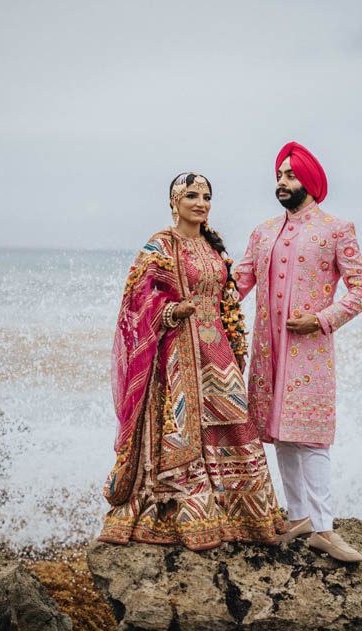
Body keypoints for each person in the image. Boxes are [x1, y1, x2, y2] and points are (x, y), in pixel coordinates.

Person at [98, 172, 285, 550]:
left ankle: (241, 513)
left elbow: (227, 299)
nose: (201, 203)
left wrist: (236, 341)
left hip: (218, 352)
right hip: (178, 354)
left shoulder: (213, 247)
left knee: (233, 420)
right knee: (187, 428)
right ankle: (190, 514)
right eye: (192, 195)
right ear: (174, 202)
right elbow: (134, 301)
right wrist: (168, 312)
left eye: (206, 196)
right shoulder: (160, 245)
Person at [234, 142, 362, 562]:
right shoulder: (262, 232)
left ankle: (324, 529)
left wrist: (322, 319)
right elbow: (237, 283)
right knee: (281, 437)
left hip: (309, 353)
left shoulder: (336, 229)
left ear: (310, 182)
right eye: (279, 175)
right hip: (267, 352)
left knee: (311, 440)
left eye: (291, 176)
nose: (282, 182)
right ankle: (298, 517)